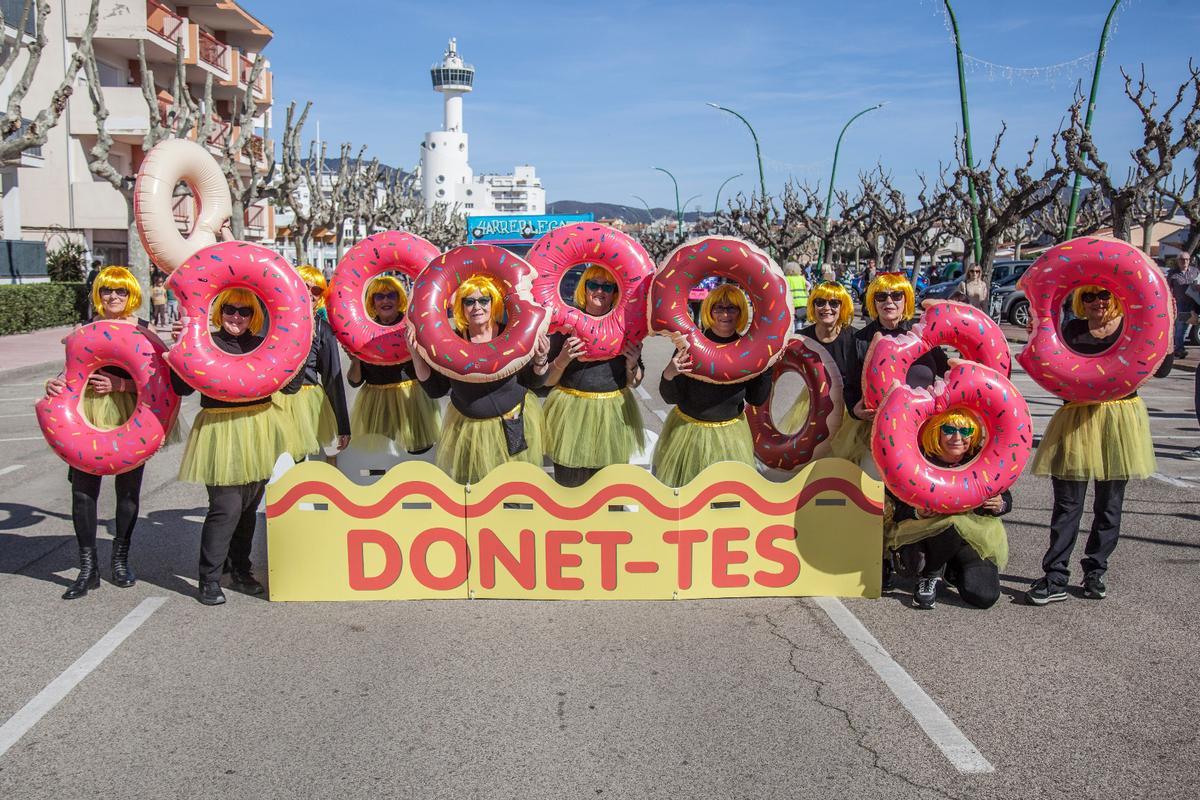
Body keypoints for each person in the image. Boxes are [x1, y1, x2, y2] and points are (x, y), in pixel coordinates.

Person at [1025, 285, 1172, 605]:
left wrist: (1167, 330)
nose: (1097, 302)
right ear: (1080, 300)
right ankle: (1055, 575)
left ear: (1115, 296)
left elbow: (1161, 369)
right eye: (1088, 296)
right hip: (1077, 417)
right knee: (1067, 504)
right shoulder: (1072, 329)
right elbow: (1053, 370)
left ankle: (1095, 570)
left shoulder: (1131, 327)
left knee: (1109, 504)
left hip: (1119, 422)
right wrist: (1036, 337)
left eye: (1103, 294)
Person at [172, 288, 293, 606]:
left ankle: (240, 569)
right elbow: (180, 386)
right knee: (225, 507)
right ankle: (209, 579)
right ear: (218, 311)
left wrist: (297, 344)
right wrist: (183, 344)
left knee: (250, 506)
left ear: (254, 315)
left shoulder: (262, 345)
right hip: (220, 429)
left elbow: (290, 385)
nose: (236, 316)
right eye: (229, 309)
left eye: (244, 311)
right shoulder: (205, 341)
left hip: (257, 427)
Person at [44, 267, 155, 599]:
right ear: (99, 294)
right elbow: (70, 371)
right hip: (87, 412)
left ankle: (120, 559)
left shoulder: (144, 331)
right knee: (83, 492)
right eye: (107, 290)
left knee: (128, 491)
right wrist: (52, 383)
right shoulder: (85, 329)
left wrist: (120, 384)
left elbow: (157, 381)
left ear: (131, 294)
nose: (113, 297)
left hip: (128, 413)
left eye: (120, 292)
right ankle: (87, 568)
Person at [407, 275, 551, 483]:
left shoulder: (512, 333)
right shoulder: (451, 340)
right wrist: (415, 355)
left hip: (511, 424)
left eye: (484, 300)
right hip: (468, 430)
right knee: (473, 494)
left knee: (513, 491)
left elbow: (533, 382)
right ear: (461, 306)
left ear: (494, 303)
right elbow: (435, 389)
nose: (477, 307)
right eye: (469, 301)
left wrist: (540, 358)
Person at [887, 409, 1011, 610]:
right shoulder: (918, 460)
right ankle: (930, 574)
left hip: (968, 538)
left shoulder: (980, 460)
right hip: (924, 536)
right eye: (949, 429)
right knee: (951, 519)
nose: (957, 437)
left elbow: (1006, 497)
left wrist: (1000, 504)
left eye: (965, 431)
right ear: (937, 431)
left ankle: (952, 568)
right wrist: (917, 512)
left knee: (984, 595)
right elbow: (895, 502)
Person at [652, 284, 771, 488]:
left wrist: (766, 367)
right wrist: (669, 373)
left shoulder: (748, 349)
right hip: (688, 434)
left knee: (725, 498)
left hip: (730, 437)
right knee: (686, 498)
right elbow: (670, 397)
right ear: (709, 310)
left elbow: (756, 399)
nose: (725, 314)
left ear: (741, 312)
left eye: (732, 308)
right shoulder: (690, 345)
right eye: (718, 308)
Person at [542, 266, 645, 487]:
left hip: (613, 414)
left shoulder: (625, 326)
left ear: (615, 292)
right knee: (571, 484)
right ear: (584, 288)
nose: (600, 291)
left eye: (607, 286)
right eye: (594, 285)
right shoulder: (567, 324)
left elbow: (634, 382)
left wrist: (632, 363)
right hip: (571, 415)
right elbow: (547, 381)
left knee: (610, 487)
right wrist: (563, 359)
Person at [843, 272, 950, 467]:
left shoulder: (923, 333)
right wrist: (855, 410)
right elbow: (850, 385)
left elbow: (947, 370)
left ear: (906, 299)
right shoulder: (861, 339)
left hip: (923, 425)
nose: (889, 302)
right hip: (877, 428)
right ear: (873, 302)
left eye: (897, 295)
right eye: (881, 297)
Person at [346, 275, 440, 454]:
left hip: (411, 400)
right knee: (379, 459)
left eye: (391, 295)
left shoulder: (411, 325)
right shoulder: (363, 330)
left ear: (400, 299)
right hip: (377, 403)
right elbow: (354, 382)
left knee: (418, 454)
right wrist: (356, 359)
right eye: (379, 296)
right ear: (373, 302)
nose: (386, 300)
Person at [275, 266, 352, 460]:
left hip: (306, 403)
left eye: (316, 290)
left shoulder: (322, 328)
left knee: (300, 462)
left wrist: (343, 425)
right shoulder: (274, 321)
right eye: (304, 286)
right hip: (275, 401)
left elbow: (332, 377)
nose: (310, 293)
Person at [782, 281, 862, 459]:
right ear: (813, 306)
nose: (827, 308)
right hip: (809, 408)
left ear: (843, 307)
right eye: (820, 302)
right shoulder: (801, 338)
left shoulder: (855, 339)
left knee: (843, 462)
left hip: (846, 410)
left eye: (834, 303)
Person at [1166, 251, 1196, 358]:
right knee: (1180, 327)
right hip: (1181, 304)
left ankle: (1179, 348)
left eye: (1187, 259)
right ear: (1178, 261)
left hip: (1194, 303)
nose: (1185, 262)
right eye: (1182, 259)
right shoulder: (1173, 274)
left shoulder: (1194, 271)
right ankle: (1179, 349)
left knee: (1187, 328)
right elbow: (1167, 289)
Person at [784, 261, 810, 333]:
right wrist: (805, 291)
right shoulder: (801, 278)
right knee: (799, 319)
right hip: (802, 302)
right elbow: (809, 285)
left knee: (792, 319)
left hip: (791, 302)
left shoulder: (786, 279)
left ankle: (792, 335)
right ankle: (799, 333)